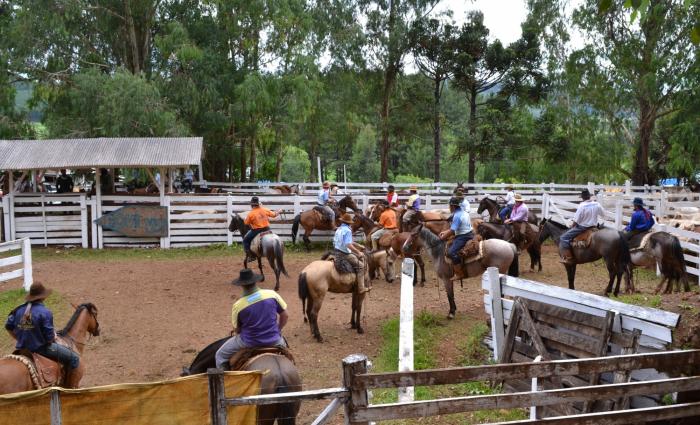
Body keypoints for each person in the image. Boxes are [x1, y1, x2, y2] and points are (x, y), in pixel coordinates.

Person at [5, 282, 81, 386]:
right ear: (42, 297)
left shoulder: (18, 310)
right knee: (74, 359)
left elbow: (8, 326)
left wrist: (19, 337)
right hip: (41, 349)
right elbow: (49, 338)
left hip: (22, 349)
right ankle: (70, 391)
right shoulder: (45, 312)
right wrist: (53, 336)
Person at [215, 269, 289, 370]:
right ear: (255, 281)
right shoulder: (272, 294)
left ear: (241, 285)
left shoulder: (238, 305)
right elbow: (285, 316)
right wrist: (278, 329)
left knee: (220, 355)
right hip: (275, 340)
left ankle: (224, 382)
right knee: (288, 353)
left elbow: (237, 330)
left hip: (249, 342)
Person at [559, 189, 606, 264]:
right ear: (589, 196)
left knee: (563, 238)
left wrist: (572, 226)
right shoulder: (597, 204)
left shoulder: (582, 206)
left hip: (582, 227)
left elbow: (576, 220)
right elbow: (603, 214)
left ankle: (569, 257)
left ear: (582, 198)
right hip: (594, 226)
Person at [334, 213, 369, 293]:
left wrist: (358, 245)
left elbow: (348, 241)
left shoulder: (339, 229)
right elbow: (348, 244)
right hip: (344, 254)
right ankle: (361, 288)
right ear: (349, 223)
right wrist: (358, 252)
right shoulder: (348, 230)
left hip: (336, 251)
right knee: (361, 266)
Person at [440, 197, 474, 279]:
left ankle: (459, 273)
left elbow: (452, 231)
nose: (449, 207)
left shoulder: (457, 216)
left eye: (449, 206)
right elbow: (455, 228)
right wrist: (445, 232)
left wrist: (442, 238)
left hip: (463, 236)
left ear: (453, 206)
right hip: (468, 233)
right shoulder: (464, 212)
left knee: (451, 252)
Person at [243, 196, 281, 261]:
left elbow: (246, 223)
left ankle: (251, 256)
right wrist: (279, 211)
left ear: (252, 204)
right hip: (267, 229)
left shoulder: (251, 214)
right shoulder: (265, 209)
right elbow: (274, 215)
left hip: (257, 230)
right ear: (258, 203)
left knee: (245, 240)